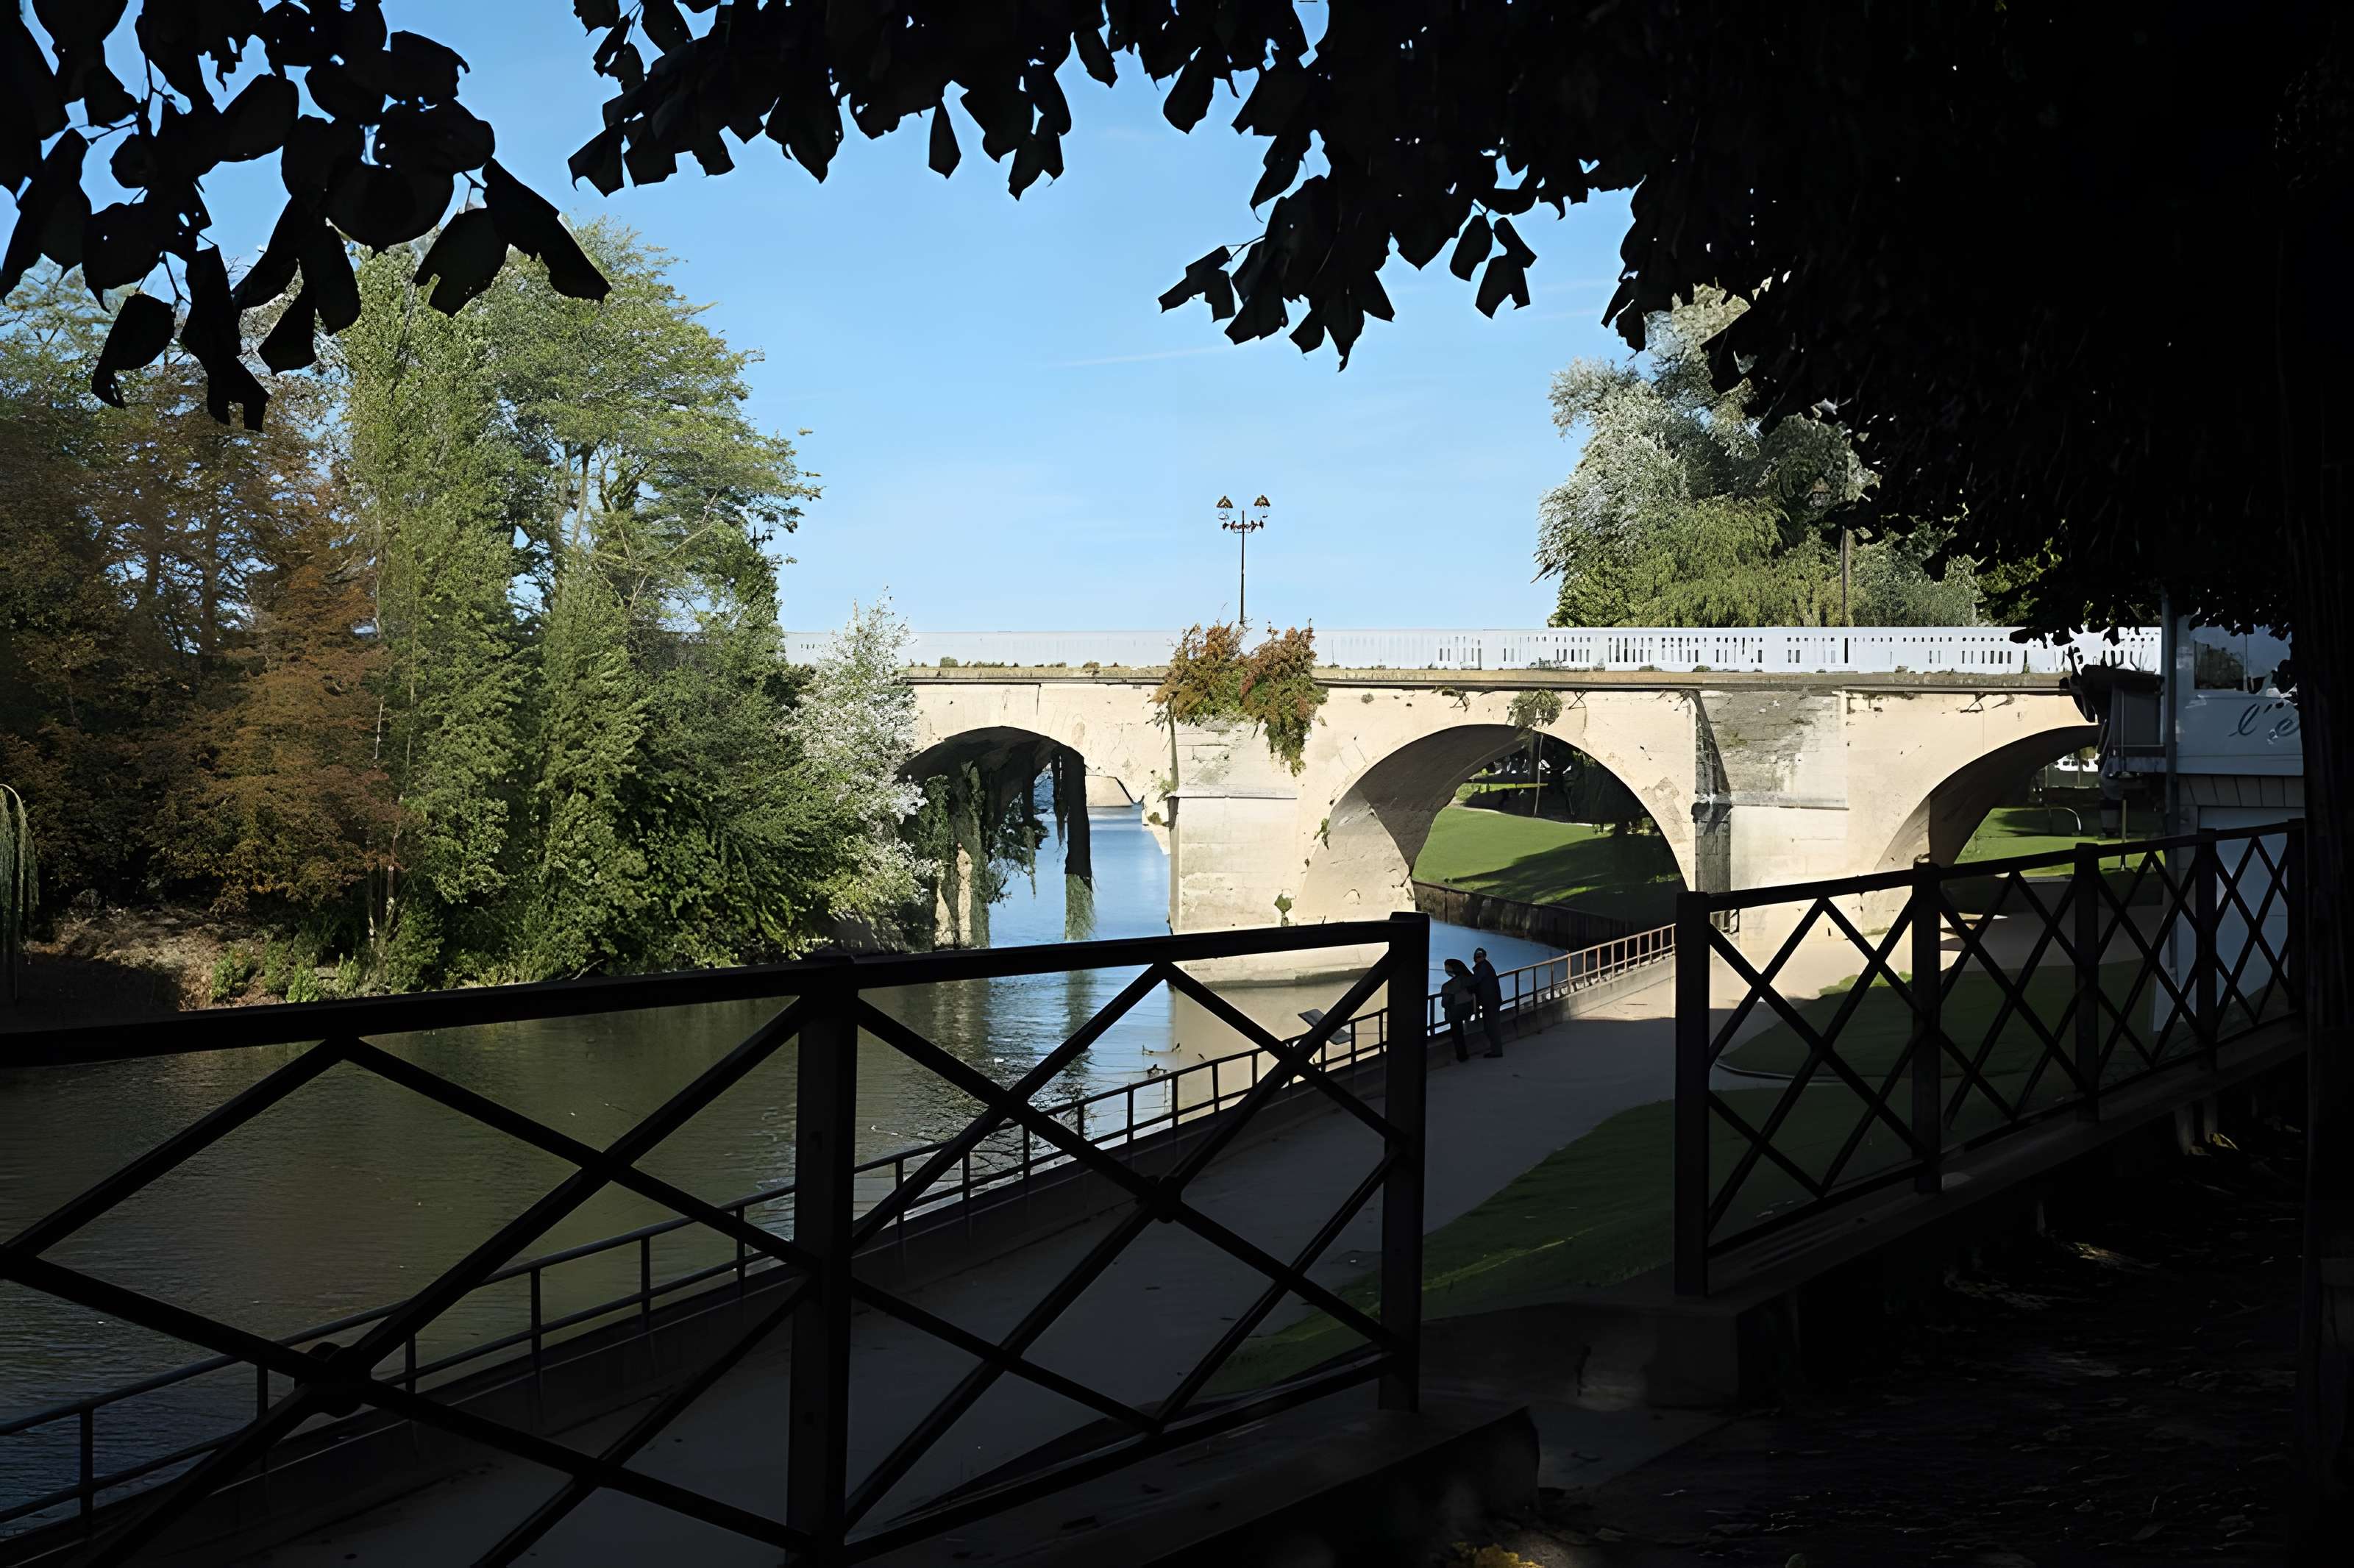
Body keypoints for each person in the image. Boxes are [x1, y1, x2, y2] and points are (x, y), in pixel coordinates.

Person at [1471, 948, 1506, 1058]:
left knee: (1492, 1027)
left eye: (1480, 956)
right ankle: (1495, 1050)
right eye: (1477, 956)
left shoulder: (1483, 967)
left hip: (1491, 1001)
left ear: (1484, 957)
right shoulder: (1484, 967)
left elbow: (1475, 980)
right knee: (1489, 1026)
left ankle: (1496, 1051)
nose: (1479, 958)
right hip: (1490, 1001)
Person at [1440, 958, 1476, 1063]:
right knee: (1460, 1032)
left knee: (1457, 1034)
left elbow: (1445, 1002)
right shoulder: (1468, 979)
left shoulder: (1449, 986)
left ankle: (1461, 1056)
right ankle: (1463, 1054)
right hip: (1466, 1010)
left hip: (1455, 1012)